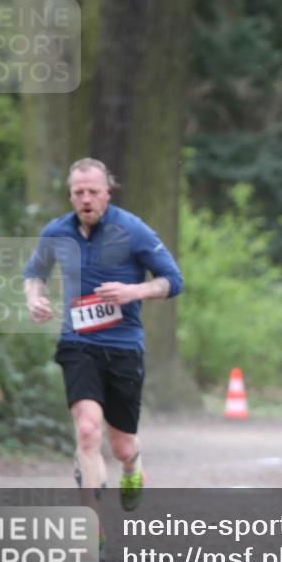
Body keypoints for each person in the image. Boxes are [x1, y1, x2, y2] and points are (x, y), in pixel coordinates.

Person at [23, 158, 183, 519]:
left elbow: (173, 281)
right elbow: (34, 273)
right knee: (87, 430)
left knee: (122, 446)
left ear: (107, 193)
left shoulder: (133, 229)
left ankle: (132, 466)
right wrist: (34, 298)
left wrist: (134, 291)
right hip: (77, 344)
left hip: (123, 347)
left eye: (93, 191)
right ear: (70, 195)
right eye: (78, 192)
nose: (86, 199)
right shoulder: (56, 232)